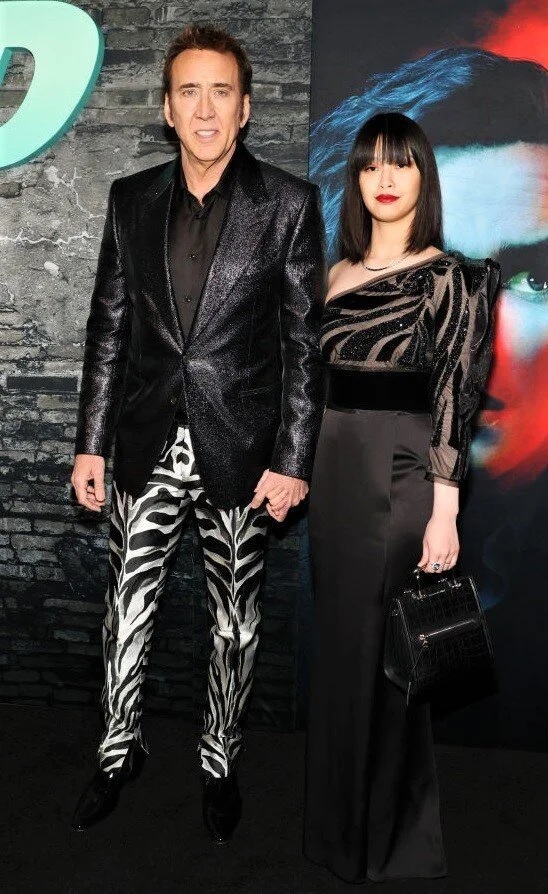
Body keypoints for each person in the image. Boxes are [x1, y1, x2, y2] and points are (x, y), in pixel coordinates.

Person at [70, 24, 326, 842]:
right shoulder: (130, 199)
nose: (206, 108)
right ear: (168, 109)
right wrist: (91, 442)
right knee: (125, 610)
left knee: (235, 622)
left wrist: (293, 459)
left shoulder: (288, 204)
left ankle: (219, 760)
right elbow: (108, 327)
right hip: (144, 442)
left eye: (221, 92)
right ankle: (118, 752)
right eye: (190, 91)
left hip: (242, 453)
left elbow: (304, 345)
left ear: (245, 108)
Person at [303, 111, 500, 883]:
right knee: (342, 650)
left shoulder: (449, 276)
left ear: (424, 176)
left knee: (388, 654)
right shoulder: (334, 274)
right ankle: (337, 830)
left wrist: (445, 511)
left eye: (402, 164)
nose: (385, 179)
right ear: (354, 179)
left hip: (404, 475)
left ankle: (389, 838)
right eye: (370, 165)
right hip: (335, 472)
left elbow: (456, 397)